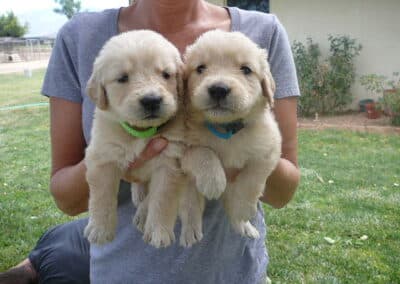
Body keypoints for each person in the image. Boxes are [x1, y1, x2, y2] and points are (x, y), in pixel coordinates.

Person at [0, 1, 300, 283]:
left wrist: (242, 148)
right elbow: (66, 199)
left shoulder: (265, 32)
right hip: (122, 273)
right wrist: (119, 158)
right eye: (201, 70)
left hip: (232, 273)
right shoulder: (79, 37)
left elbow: (283, 193)